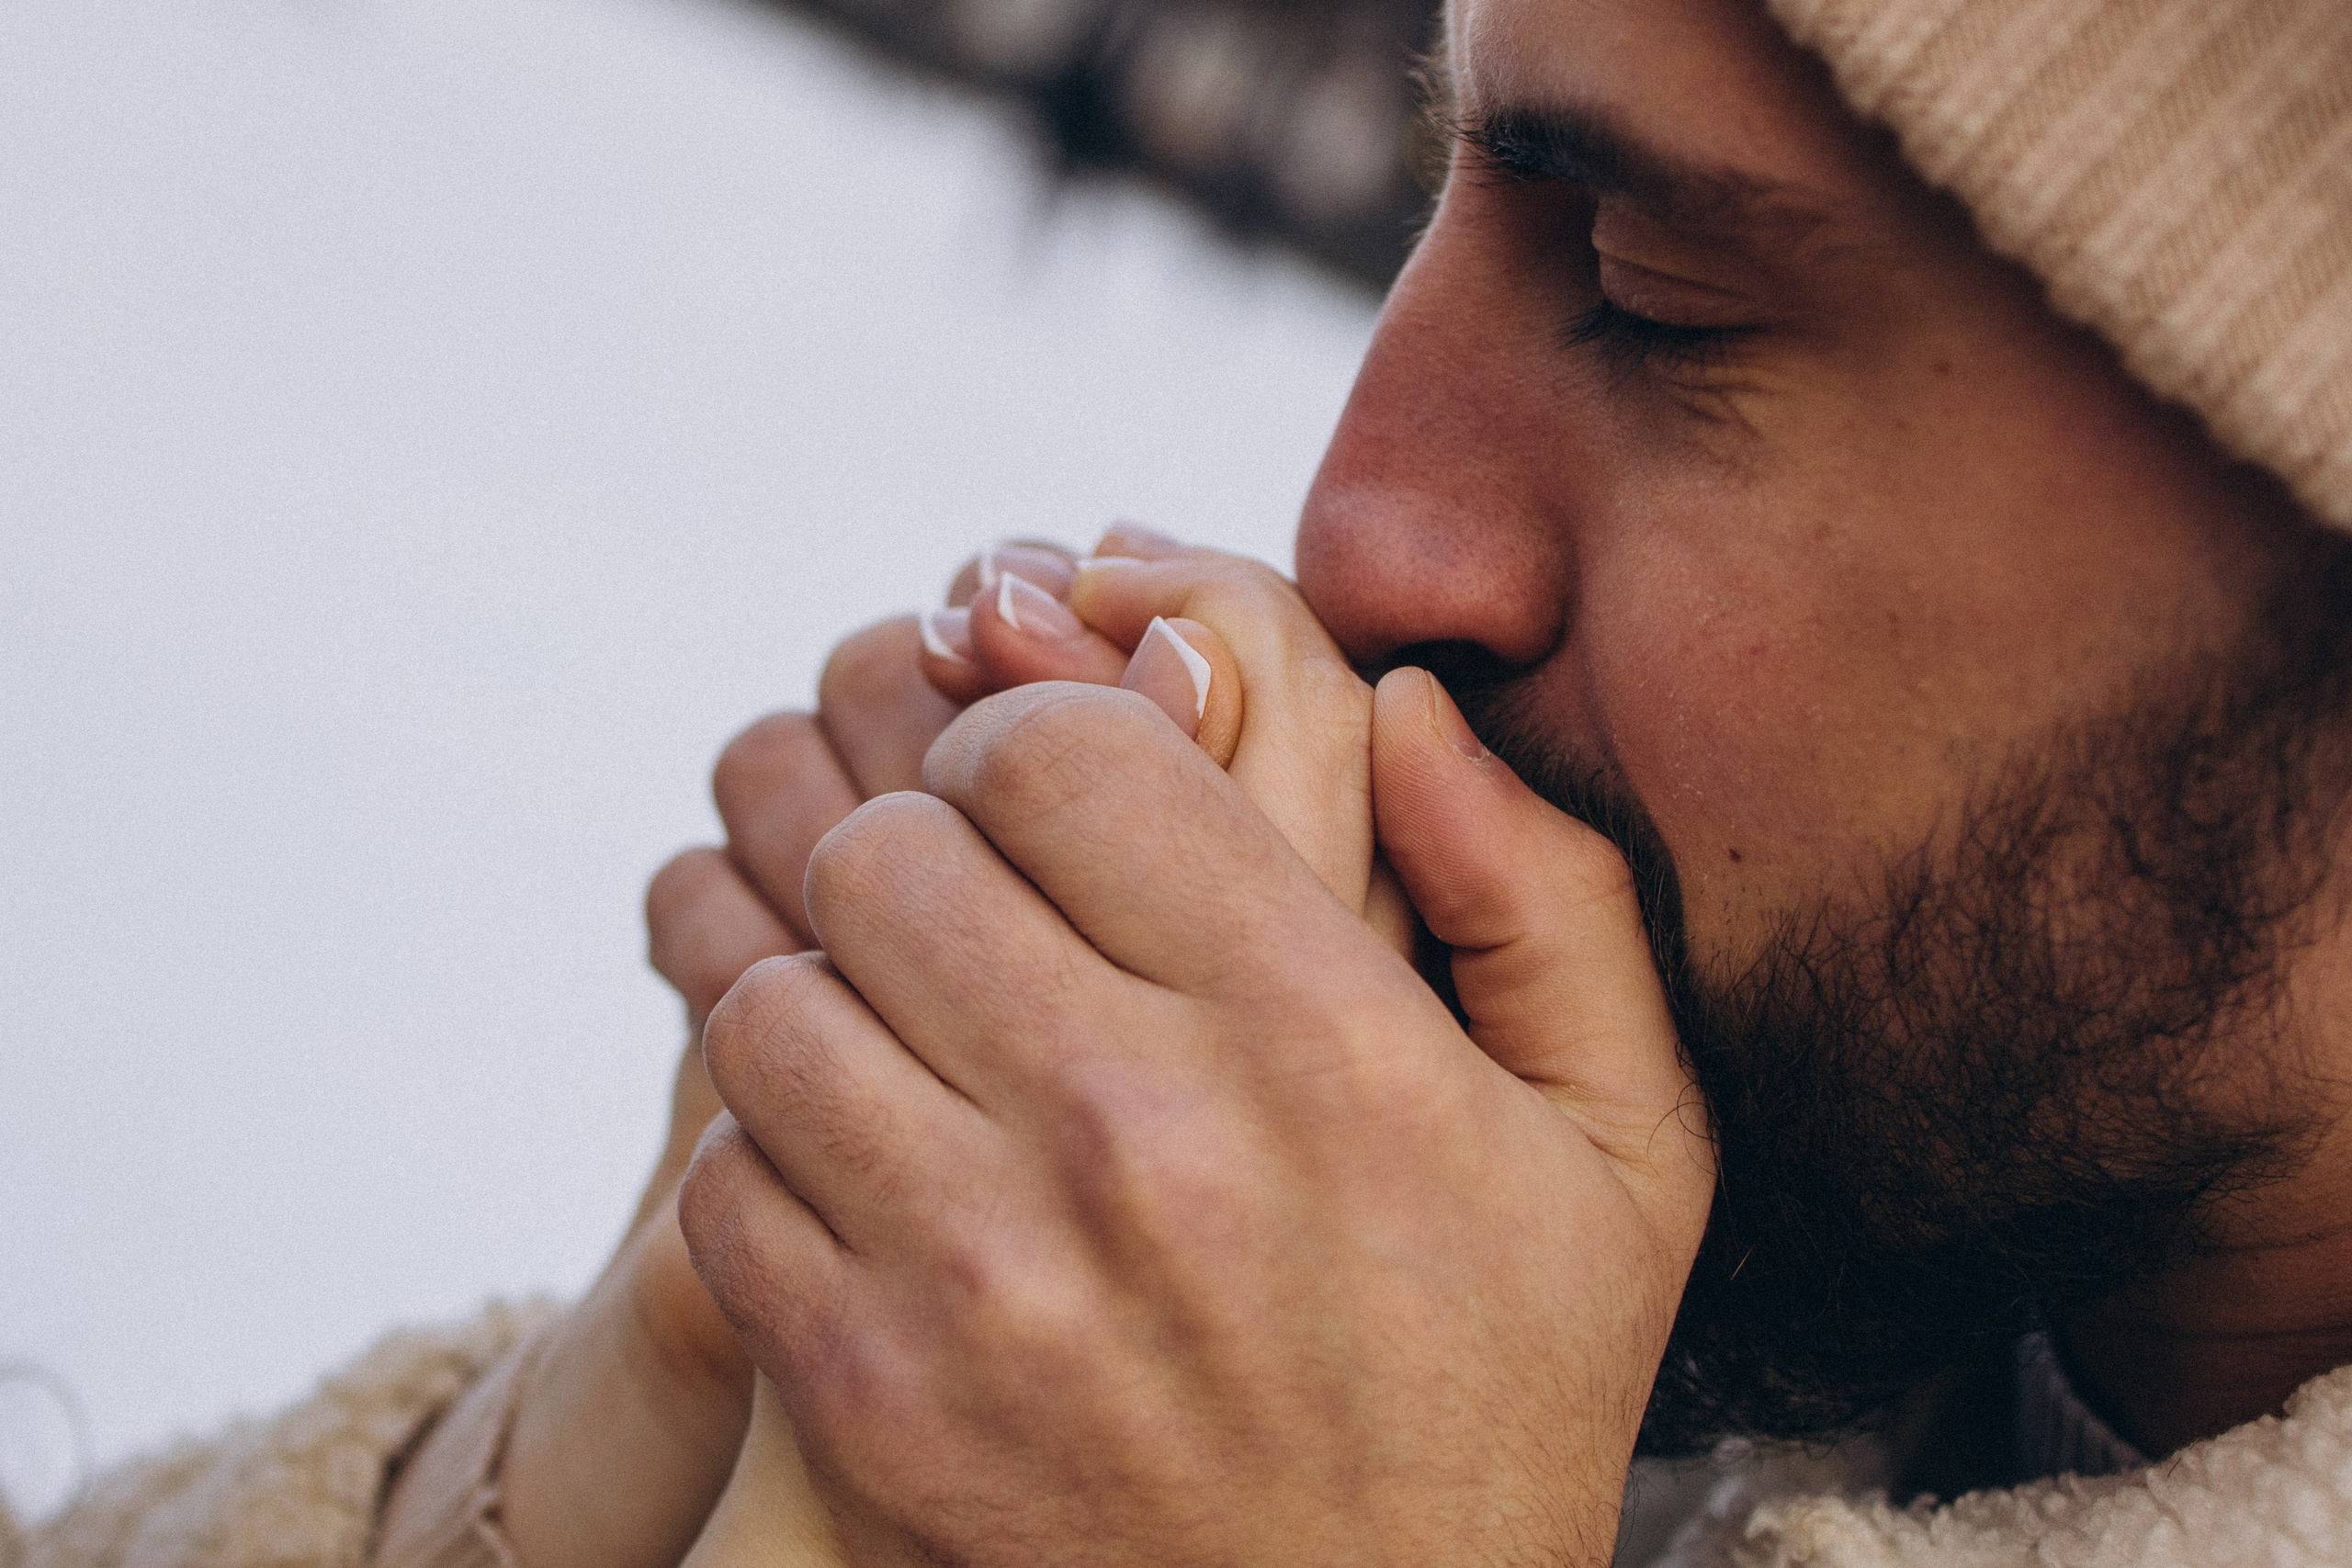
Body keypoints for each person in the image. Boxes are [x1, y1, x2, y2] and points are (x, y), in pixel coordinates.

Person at [10, 0, 2347, 1562]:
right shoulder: (1802, 1259)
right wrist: (599, 1440)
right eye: (1443, 192)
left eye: (1655, 287)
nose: (1355, 525)